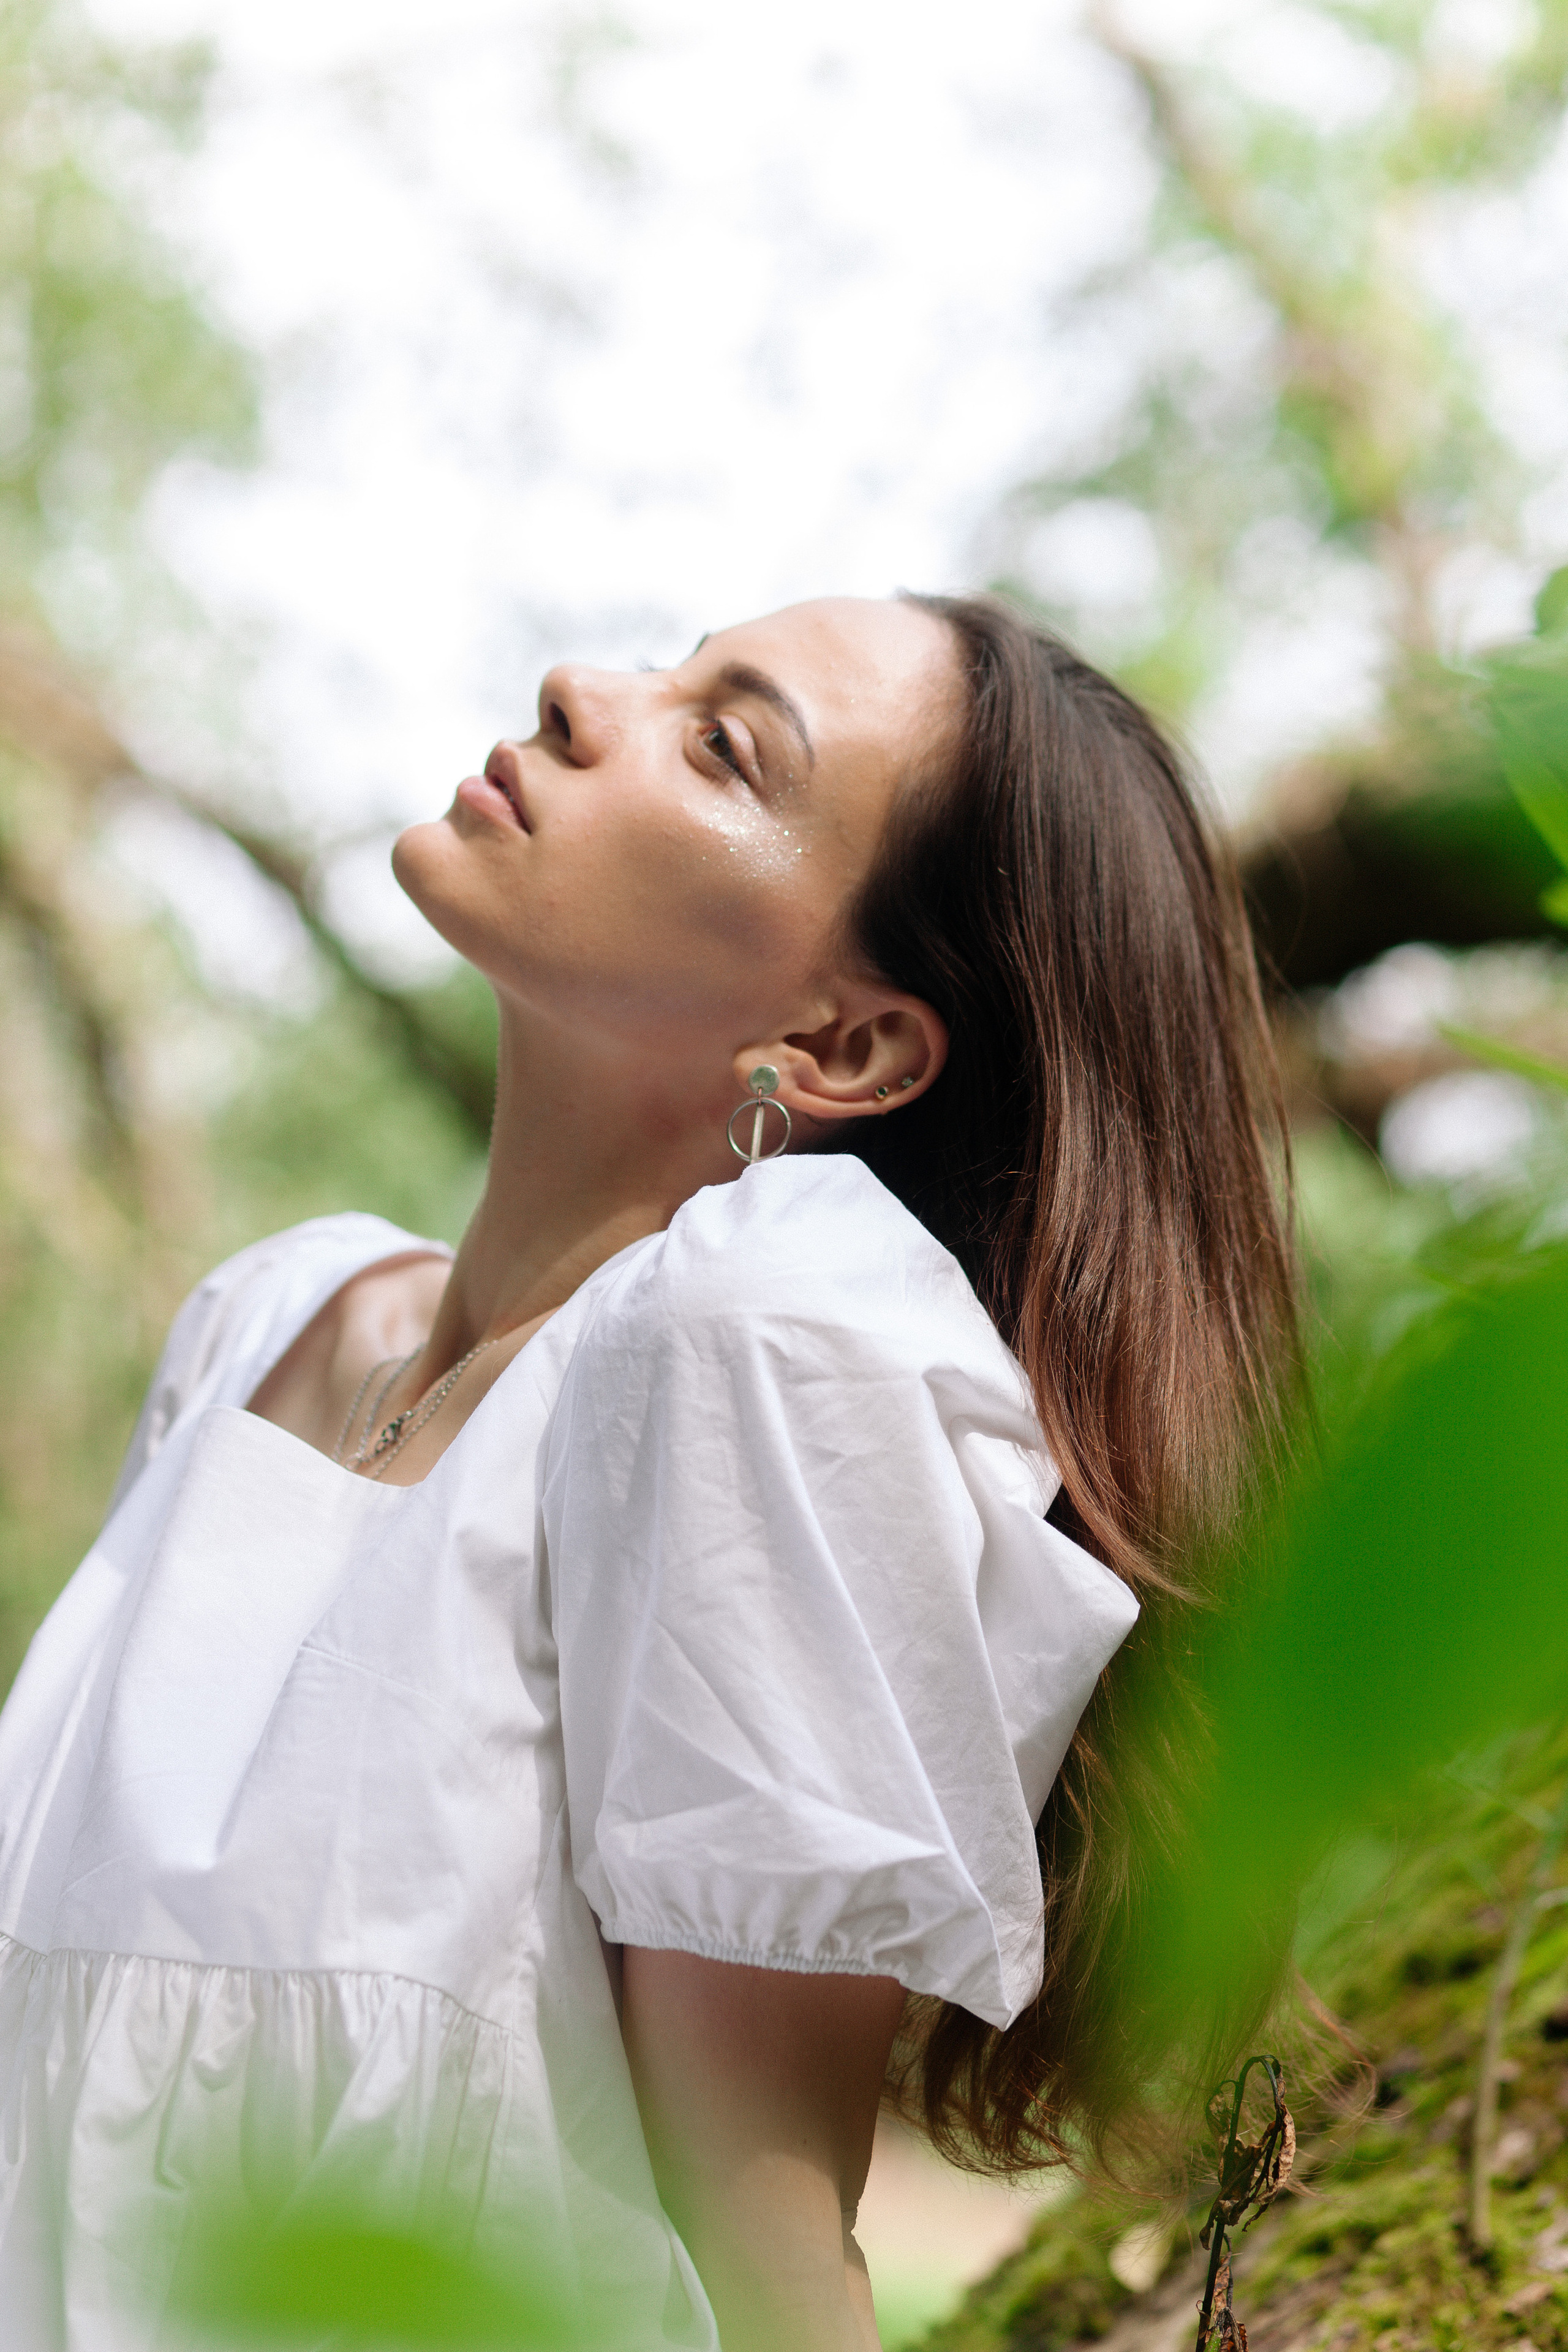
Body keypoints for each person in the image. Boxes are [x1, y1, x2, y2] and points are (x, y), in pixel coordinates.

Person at [0, 594, 1298, 2351]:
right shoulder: (261, 1318)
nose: (579, 688)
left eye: (723, 742)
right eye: (667, 667)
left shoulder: (753, 1355)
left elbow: (763, 2239)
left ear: (843, 1047)